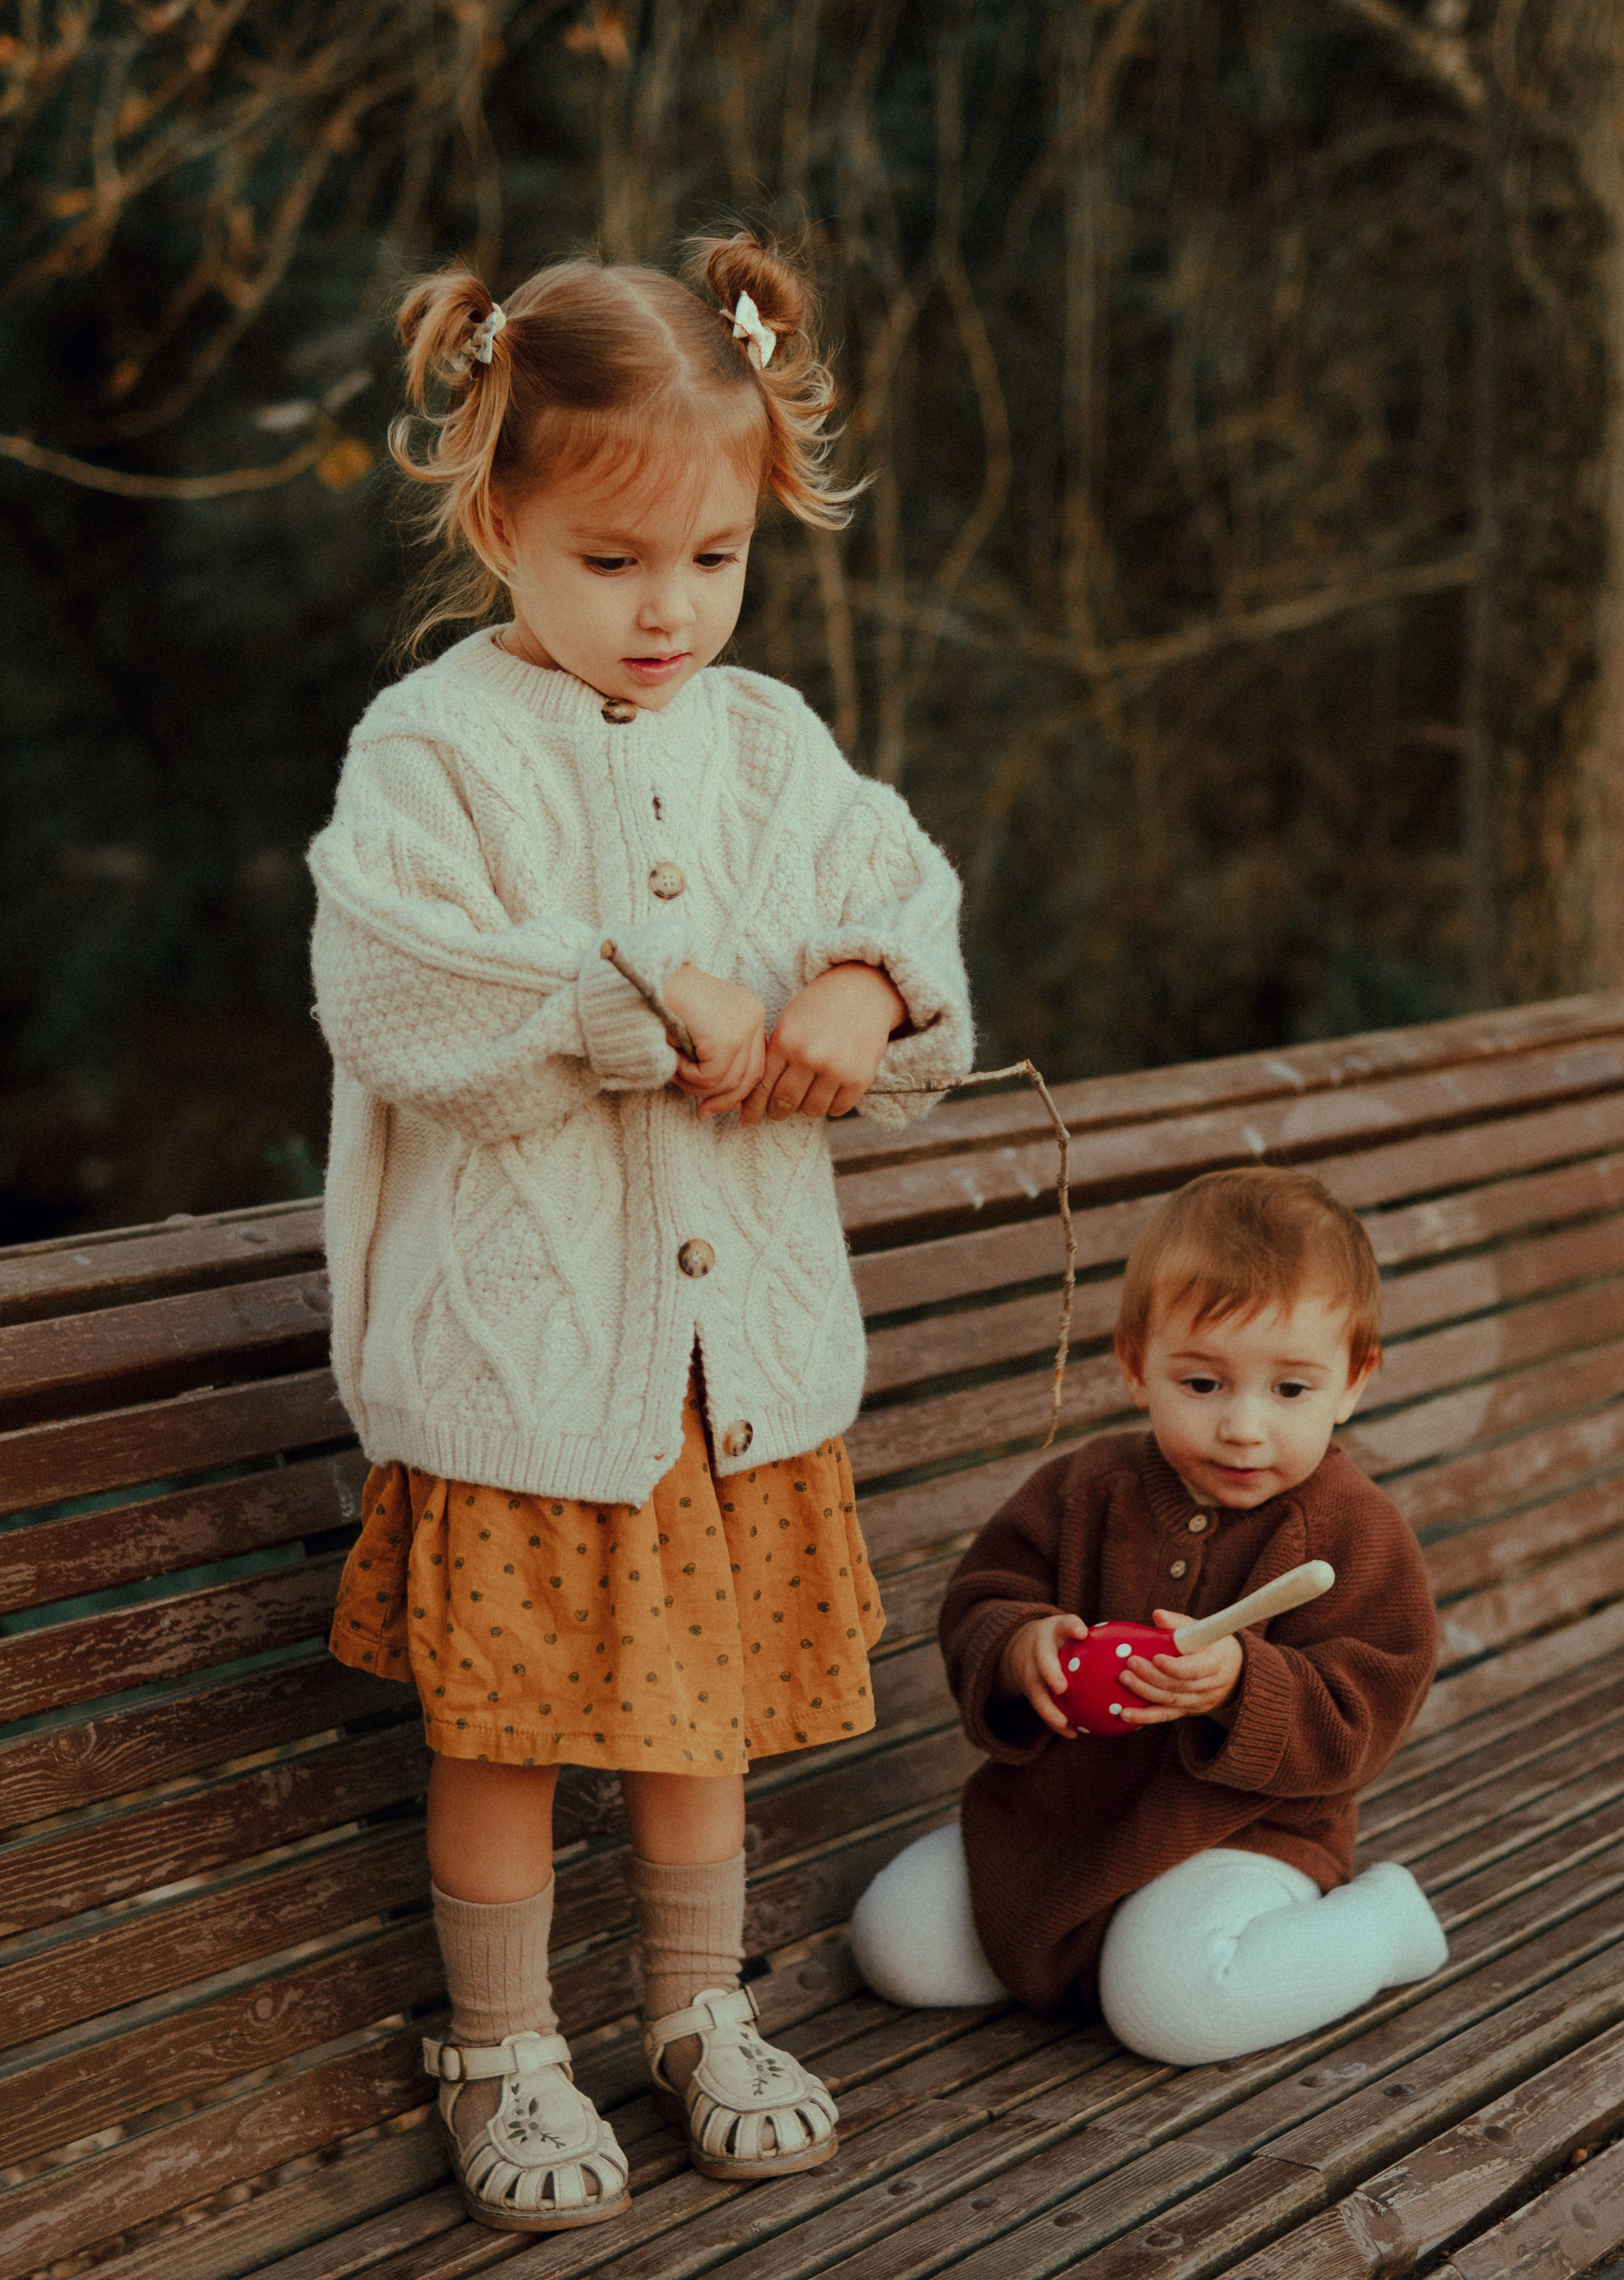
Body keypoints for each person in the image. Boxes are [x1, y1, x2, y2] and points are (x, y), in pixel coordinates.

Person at [308, 234, 972, 2233]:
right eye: (612, 561)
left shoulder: (772, 744)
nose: (670, 607)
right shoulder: (432, 749)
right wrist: (620, 994)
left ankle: (698, 2003)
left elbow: (908, 894)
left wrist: (865, 991)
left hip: (731, 1378)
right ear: (501, 517)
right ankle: (500, 2043)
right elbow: (400, 989)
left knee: (708, 1722)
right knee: (509, 1730)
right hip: (531, 1377)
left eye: (713, 557)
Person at [850, 1166, 1447, 2067]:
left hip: (1239, 1837)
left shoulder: (1353, 1533)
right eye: (1203, 1383)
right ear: (1136, 1366)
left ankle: (1382, 1927)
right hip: (1061, 1821)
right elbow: (983, 1595)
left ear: (1354, 1382)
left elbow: (1368, 1699)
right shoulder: (1084, 1490)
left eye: (1290, 1390)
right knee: (893, 1940)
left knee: (1171, 2008)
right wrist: (1020, 1648)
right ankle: (1100, 1944)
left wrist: (1245, 1685)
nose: (1244, 1426)